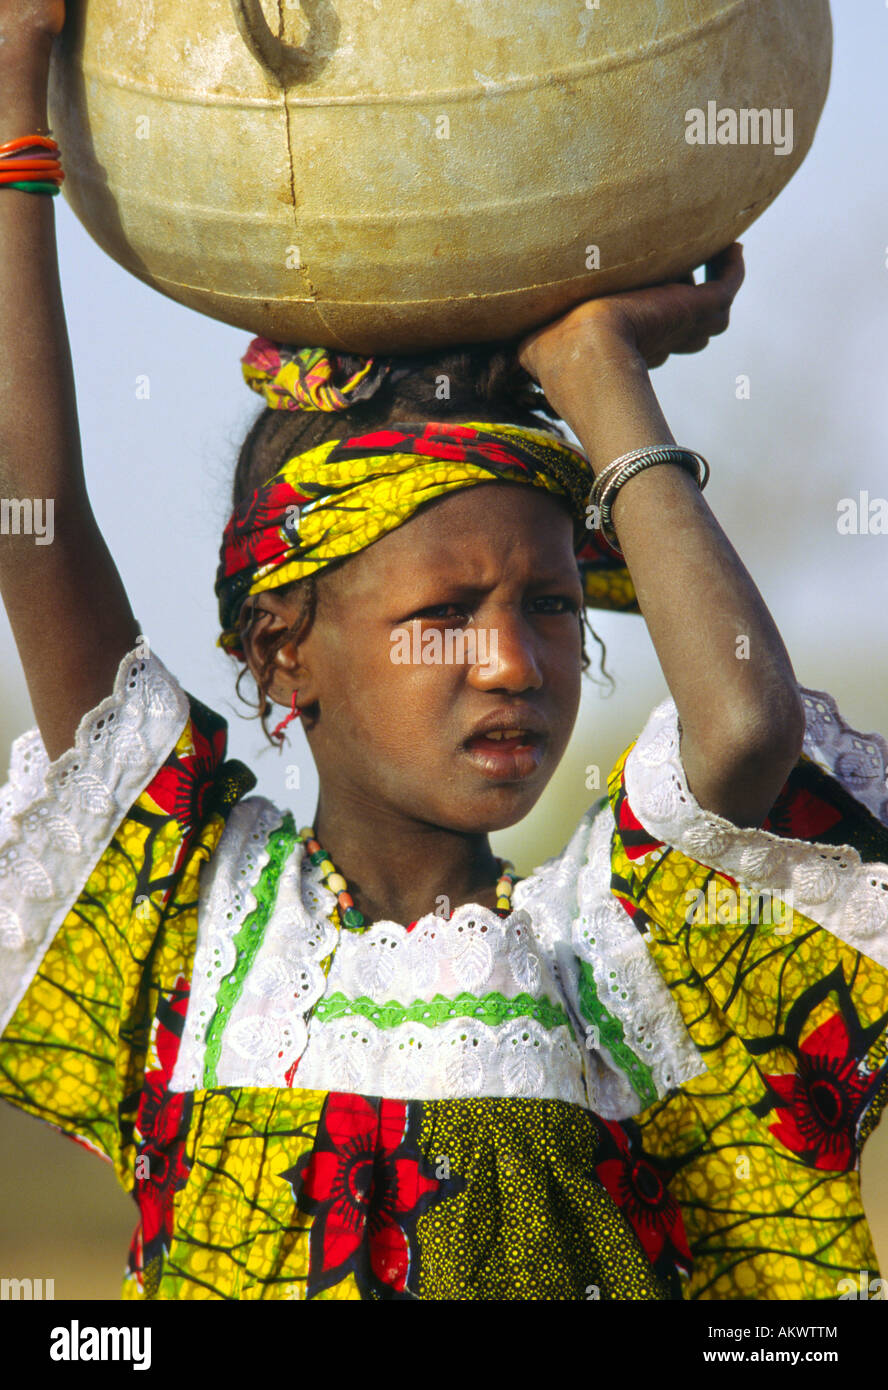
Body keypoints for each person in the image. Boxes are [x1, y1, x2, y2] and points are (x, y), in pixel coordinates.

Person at [1, 2, 888, 1303]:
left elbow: (747, 730)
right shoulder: (188, 929)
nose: (515, 662)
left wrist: (597, 374)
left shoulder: (618, 962)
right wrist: (17, 86)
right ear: (286, 648)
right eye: (449, 608)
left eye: (548, 606)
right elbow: (31, 522)